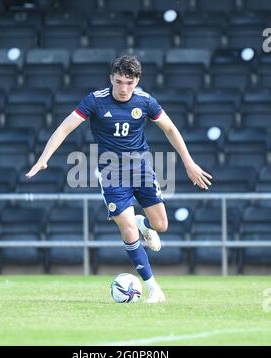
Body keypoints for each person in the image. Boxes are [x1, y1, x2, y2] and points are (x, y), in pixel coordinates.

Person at [26, 56, 212, 303]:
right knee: (127, 229)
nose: (124, 88)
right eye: (119, 81)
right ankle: (154, 288)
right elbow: (64, 128)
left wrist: (189, 162)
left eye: (129, 82)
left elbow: (170, 128)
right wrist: (43, 158)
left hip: (142, 170)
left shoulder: (145, 101)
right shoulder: (95, 100)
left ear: (137, 81)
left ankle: (143, 224)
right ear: (111, 78)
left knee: (161, 226)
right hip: (112, 174)